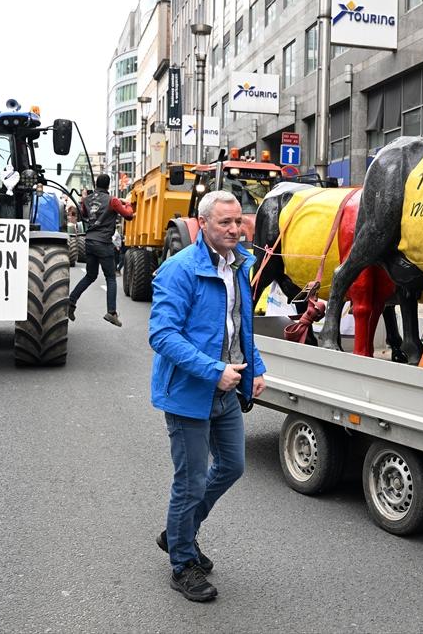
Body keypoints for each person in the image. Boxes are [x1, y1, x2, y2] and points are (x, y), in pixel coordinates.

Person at [149, 190, 266, 602]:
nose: (235, 229)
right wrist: (215, 371)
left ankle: (178, 532)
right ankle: (183, 563)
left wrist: (256, 368)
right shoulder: (178, 270)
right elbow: (161, 335)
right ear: (204, 225)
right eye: (225, 223)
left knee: (232, 466)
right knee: (191, 481)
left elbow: (238, 325)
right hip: (188, 393)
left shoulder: (240, 266)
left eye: (239, 221)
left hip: (227, 389)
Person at [68, 174, 134, 326]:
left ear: (96, 184)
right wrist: (128, 203)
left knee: (90, 276)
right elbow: (128, 216)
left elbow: (84, 214)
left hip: (89, 241)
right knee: (110, 278)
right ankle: (111, 312)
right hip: (103, 243)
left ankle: (71, 302)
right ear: (108, 186)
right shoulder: (113, 201)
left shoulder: (87, 200)